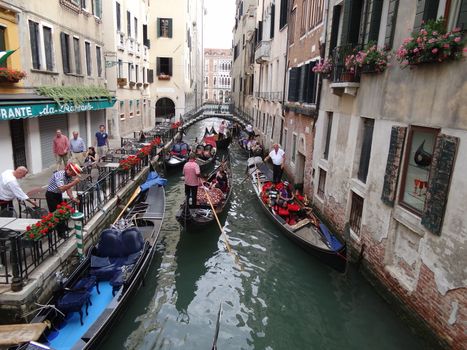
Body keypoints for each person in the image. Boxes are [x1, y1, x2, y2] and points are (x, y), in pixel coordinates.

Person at [45, 163, 81, 237]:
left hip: (58, 194)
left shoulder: (68, 176)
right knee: (56, 214)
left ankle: (64, 228)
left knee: (62, 211)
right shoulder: (59, 175)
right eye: (74, 173)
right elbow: (62, 188)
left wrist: (72, 198)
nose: (74, 175)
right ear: (70, 171)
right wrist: (74, 183)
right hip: (51, 195)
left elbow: (68, 188)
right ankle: (60, 233)